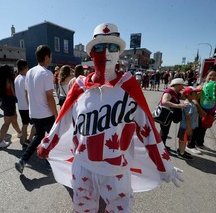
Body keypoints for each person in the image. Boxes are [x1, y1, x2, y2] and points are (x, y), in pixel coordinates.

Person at [37, 23, 183, 212]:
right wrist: (46, 145)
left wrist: (165, 166)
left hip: (116, 172)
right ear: (90, 53)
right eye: (99, 47)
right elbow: (62, 120)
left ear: (119, 53)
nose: (105, 52)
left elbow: (148, 131)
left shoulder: (128, 88)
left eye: (112, 47)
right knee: (82, 209)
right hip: (82, 167)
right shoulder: (80, 87)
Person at [15, 45, 58, 173]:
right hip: (46, 113)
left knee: (38, 136)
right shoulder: (47, 73)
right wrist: (56, 114)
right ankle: (50, 163)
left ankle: (22, 160)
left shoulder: (30, 72)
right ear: (46, 57)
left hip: (34, 113)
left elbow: (28, 93)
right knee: (51, 137)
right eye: (50, 56)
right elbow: (50, 97)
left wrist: (30, 110)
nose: (51, 58)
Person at [0, 65, 22, 149]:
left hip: (2, 102)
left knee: (14, 118)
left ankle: (19, 133)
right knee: (7, 123)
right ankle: (0, 141)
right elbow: (14, 92)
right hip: (9, 102)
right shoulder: (10, 79)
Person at [189, 68, 216, 150]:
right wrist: (200, 110)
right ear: (205, 77)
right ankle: (191, 145)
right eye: (210, 75)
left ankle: (199, 143)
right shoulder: (201, 87)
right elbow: (193, 99)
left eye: (215, 76)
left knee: (204, 128)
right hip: (199, 111)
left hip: (210, 113)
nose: (212, 77)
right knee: (196, 128)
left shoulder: (215, 88)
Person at [159, 78, 188, 150]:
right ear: (177, 85)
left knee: (165, 131)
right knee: (164, 131)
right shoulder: (169, 91)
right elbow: (164, 102)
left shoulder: (176, 92)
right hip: (165, 114)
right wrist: (178, 106)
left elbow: (185, 97)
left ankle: (161, 145)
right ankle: (161, 147)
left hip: (169, 115)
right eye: (182, 86)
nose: (183, 88)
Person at [14, 59, 35, 148]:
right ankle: (29, 139)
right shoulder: (26, 78)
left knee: (24, 124)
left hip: (20, 105)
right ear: (26, 67)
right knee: (36, 124)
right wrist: (31, 106)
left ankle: (24, 141)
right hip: (27, 106)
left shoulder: (17, 78)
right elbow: (27, 94)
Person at [177, 86, 202, 158]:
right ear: (188, 94)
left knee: (184, 140)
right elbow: (188, 118)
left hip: (188, 126)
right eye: (195, 93)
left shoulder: (191, 102)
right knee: (183, 140)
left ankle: (182, 150)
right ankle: (181, 153)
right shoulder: (188, 105)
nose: (197, 94)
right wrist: (190, 129)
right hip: (187, 127)